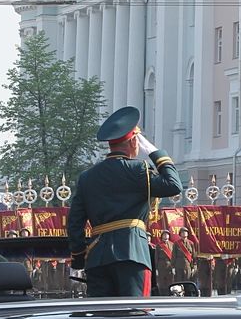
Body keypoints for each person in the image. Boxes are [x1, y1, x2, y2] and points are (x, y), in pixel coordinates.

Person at [67, 106, 183, 297]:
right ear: (134, 141)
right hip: (133, 255)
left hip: (97, 259)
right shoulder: (139, 170)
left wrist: (79, 257)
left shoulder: (87, 177)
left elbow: (74, 223)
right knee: (134, 316)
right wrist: (156, 153)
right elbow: (173, 185)